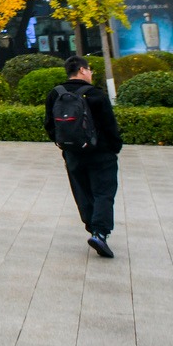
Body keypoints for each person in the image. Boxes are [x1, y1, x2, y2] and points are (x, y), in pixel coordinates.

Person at [44, 55, 123, 258]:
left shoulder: (55, 94)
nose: (90, 73)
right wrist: (115, 147)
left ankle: (92, 226)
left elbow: (49, 124)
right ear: (81, 70)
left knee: (83, 192)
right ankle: (99, 233)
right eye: (89, 70)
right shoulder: (96, 94)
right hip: (101, 153)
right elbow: (109, 124)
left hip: (73, 154)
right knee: (103, 192)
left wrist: (63, 144)